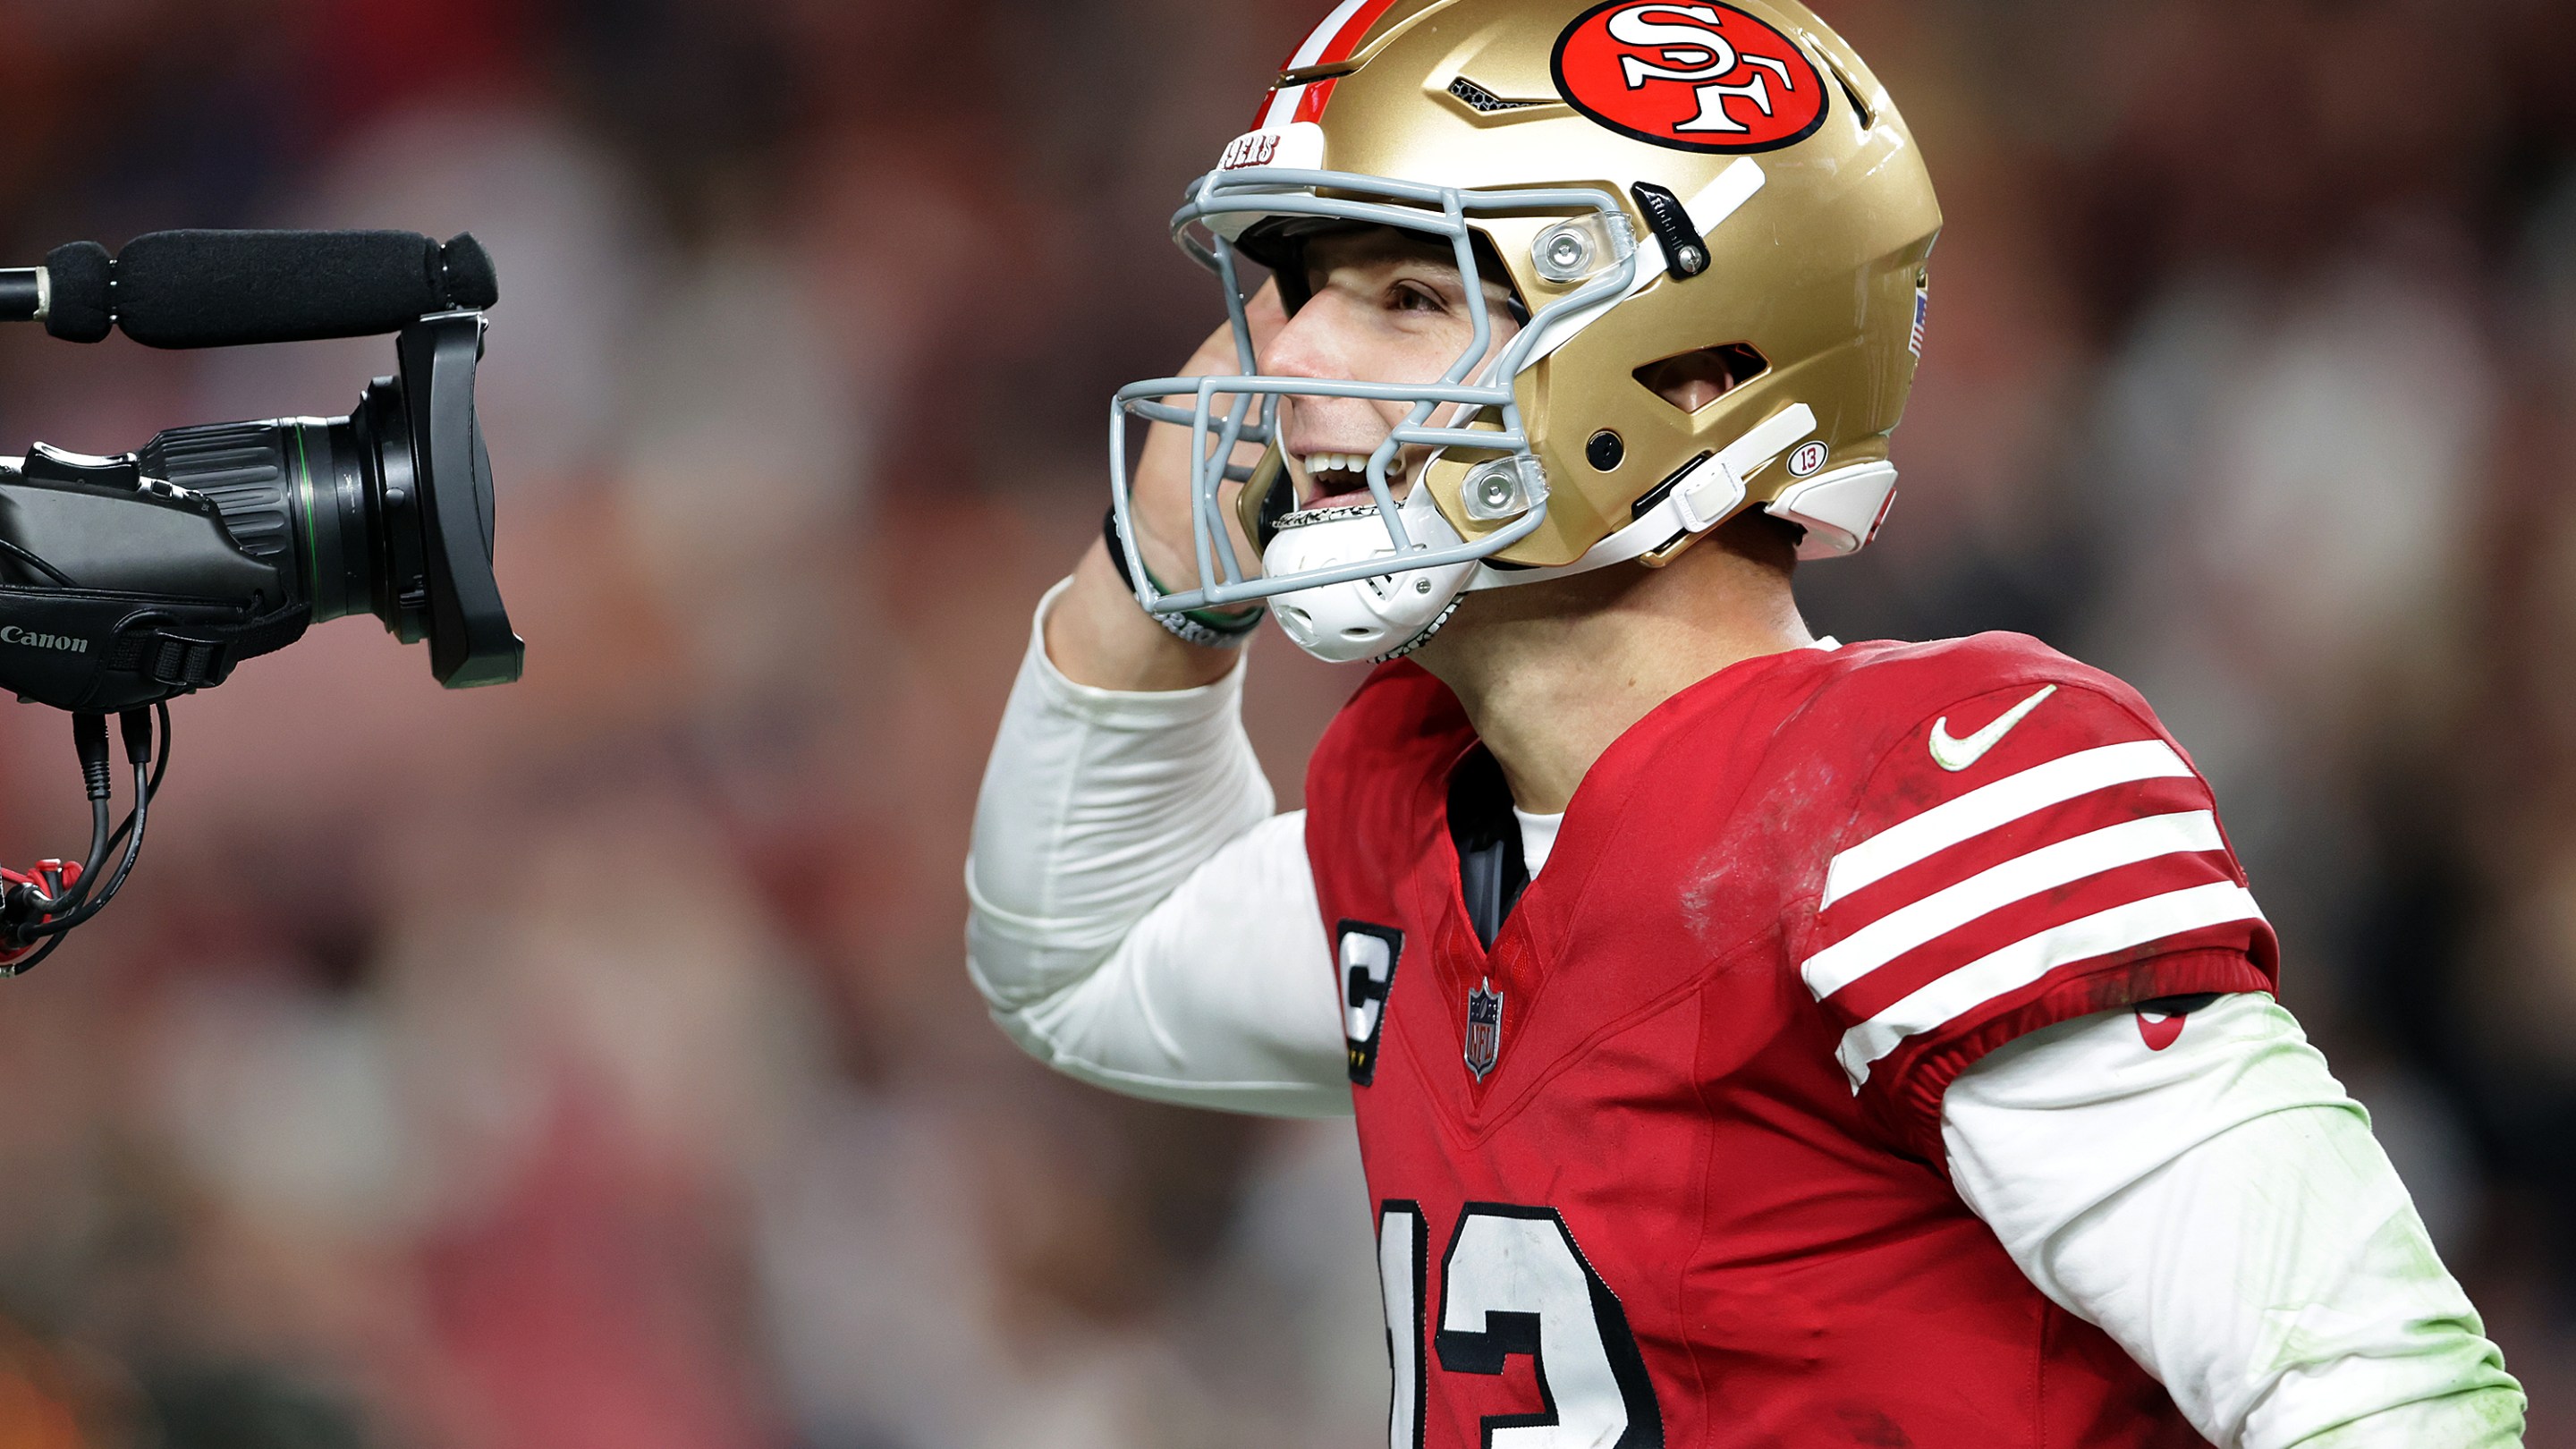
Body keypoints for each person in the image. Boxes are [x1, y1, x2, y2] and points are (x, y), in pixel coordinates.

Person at [966, 1, 2526, 1443]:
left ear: (1698, 370)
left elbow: (2377, 1388)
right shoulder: (1428, 807)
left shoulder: (1917, 804)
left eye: (1407, 294)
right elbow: (1083, 958)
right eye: (1297, 290)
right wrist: (1161, 572)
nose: (1279, 356)